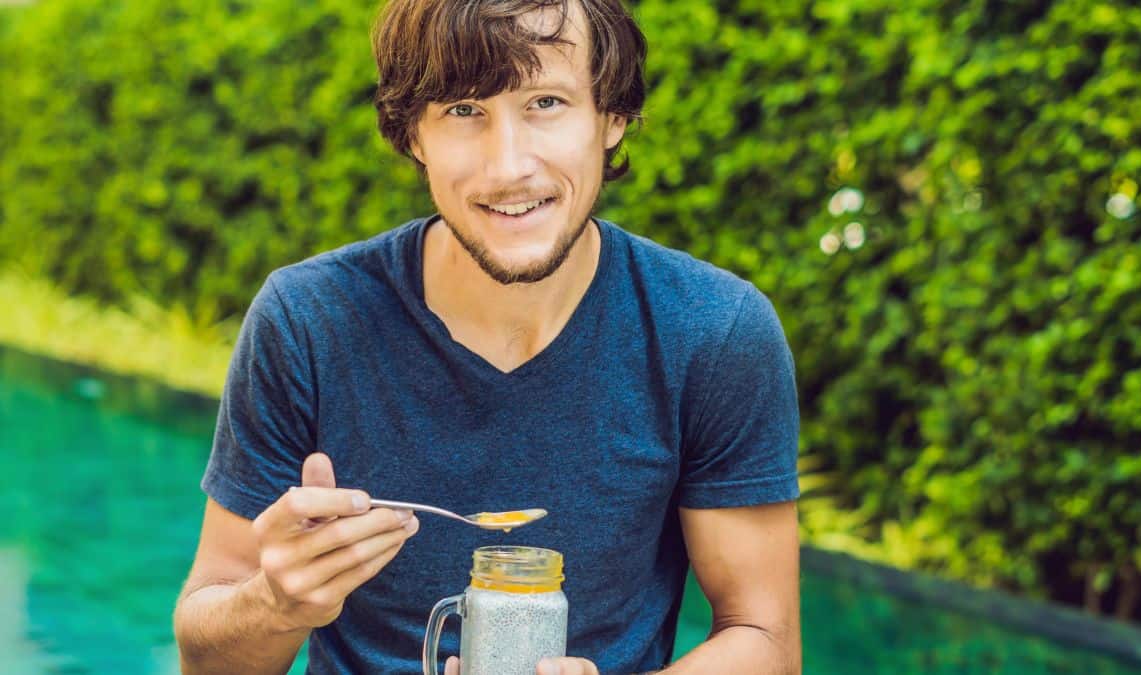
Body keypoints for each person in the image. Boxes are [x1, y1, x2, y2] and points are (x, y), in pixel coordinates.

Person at [173, 0, 801, 673]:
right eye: (464, 110)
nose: (509, 167)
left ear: (612, 116)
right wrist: (277, 601)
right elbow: (207, 658)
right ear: (413, 133)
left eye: (547, 103)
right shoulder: (308, 320)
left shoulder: (712, 331)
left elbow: (764, 636)